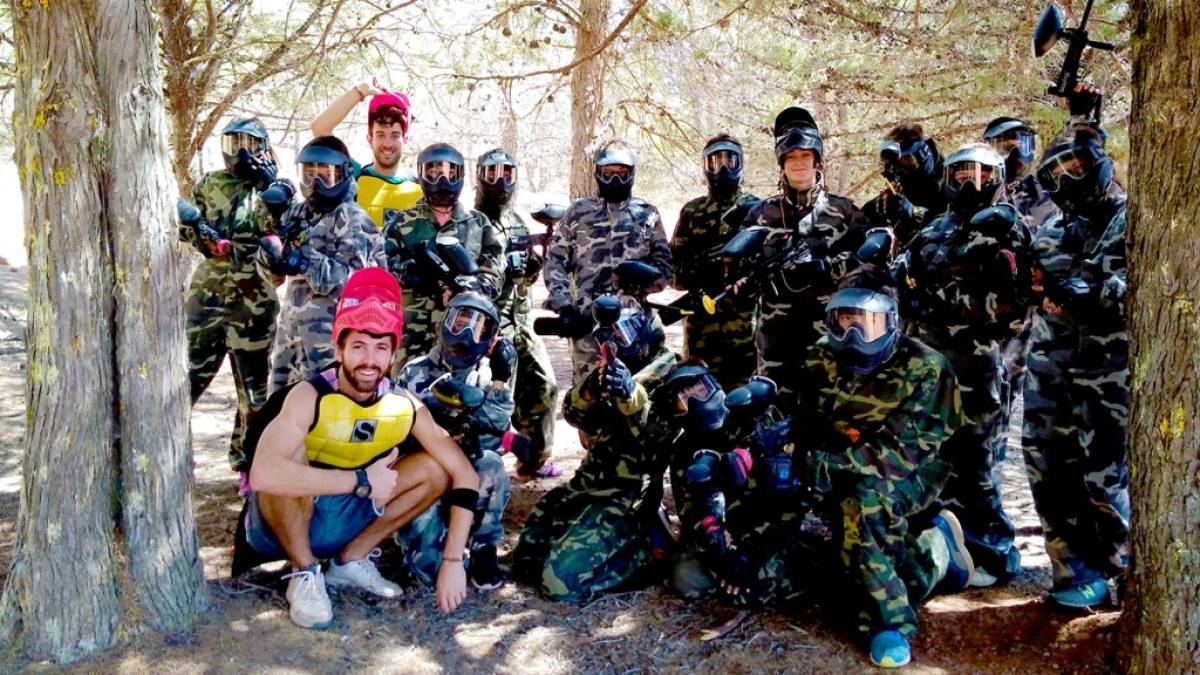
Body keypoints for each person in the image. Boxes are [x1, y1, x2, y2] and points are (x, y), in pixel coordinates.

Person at [244, 268, 480, 628]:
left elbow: (465, 475)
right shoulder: (308, 396)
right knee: (287, 454)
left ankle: (350, 561)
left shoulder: (405, 406)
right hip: (278, 528)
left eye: (381, 348)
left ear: (393, 354)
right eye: (359, 347)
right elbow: (264, 474)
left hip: (342, 520)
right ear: (339, 348)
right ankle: (305, 572)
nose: (370, 360)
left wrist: (452, 562)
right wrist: (360, 481)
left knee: (435, 468)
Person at [794, 267, 970, 668]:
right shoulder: (820, 357)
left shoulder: (927, 367)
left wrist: (822, 468)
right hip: (840, 462)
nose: (854, 336)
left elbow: (897, 456)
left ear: (893, 322)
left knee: (866, 504)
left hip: (913, 470)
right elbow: (806, 421)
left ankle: (889, 623)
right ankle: (932, 550)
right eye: (846, 322)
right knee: (833, 573)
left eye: (868, 323)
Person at [898, 143, 1031, 586]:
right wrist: (904, 293)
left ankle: (992, 552)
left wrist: (937, 302)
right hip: (929, 364)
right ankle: (943, 548)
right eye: (960, 173)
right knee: (932, 455)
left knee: (976, 459)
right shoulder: (936, 227)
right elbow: (906, 273)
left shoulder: (1007, 228)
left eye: (979, 173)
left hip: (979, 363)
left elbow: (1011, 307)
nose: (968, 182)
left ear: (996, 177)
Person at [1023, 119, 1129, 609]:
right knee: (1049, 470)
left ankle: (1126, 572)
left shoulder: (1138, 221)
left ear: (1100, 163)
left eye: (1077, 165)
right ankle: (1076, 572)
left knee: (1107, 481)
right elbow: (1032, 289)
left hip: (1113, 372)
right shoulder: (1049, 233)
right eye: (1057, 171)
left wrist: (1103, 295)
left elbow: (1168, 289)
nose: (1068, 178)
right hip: (1051, 369)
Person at [513, 293, 678, 601]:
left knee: (559, 585)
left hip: (629, 494)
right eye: (610, 334)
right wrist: (589, 390)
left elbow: (657, 435)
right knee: (525, 561)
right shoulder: (615, 366)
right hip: (591, 482)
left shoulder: (672, 374)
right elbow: (573, 415)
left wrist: (630, 394)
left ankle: (646, 552)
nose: (616, 340)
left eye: (624, 333)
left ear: (646, 336)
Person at [738, 107, 867, 412]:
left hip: (829, 337)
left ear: (816, 161)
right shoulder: (759, 214)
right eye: (791, 157)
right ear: (781, 164)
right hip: (774, 339)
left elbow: (868, 264)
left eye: (805, 156)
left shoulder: (844, 211)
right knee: (772, 415)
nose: (798, 163)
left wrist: (828, 268)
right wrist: (751, 277)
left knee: (825, 413)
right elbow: (739, 270)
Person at [179, 117, 284, 472]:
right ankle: (168, 457)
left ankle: (247, 467)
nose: (240, 152)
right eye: (233, 143)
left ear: (264, 148)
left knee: (254, 395)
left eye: (249, 144)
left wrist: (271, 192)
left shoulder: (276, 190)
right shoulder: (210, 184)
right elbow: (184, 228)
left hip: (254, 304)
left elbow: (285, 237)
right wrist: (202, 237)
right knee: (183, 383)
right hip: (206, 299)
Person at [392, 293, 519, 591]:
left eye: (478, 329)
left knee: (491, 463)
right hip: (428, 477)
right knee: (429, 576)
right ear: (443, 324)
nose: (465, 335)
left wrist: (500, 382)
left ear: (491, 340)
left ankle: (483, 547)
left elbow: (496, 435)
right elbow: (395, 434)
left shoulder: (487, 376)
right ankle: (425, 541)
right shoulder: (414, 371)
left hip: (467, 475)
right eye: (460, 323)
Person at [261, 135, 386, 393]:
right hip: (291, 338)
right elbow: (274, 278)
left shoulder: (353, 219)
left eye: (325, 174)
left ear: (343, 174)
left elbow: (353, 286)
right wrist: (271, 257)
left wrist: (304, 261)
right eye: (309, 174)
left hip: (333, 345)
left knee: (328, 409)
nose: (316, 183)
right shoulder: (297, 213)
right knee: (280, 408)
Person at [542, 140, 673, 384]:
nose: (614, 179)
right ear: (597, 173)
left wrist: (642, 280)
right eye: (608, 172)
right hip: (587, 324)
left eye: (621, 173)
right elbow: (555, 261)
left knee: (640, 392)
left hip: (635, 324)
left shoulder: (647, 213)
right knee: (589, 395)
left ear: (631, 174)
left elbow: (665, 269)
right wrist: (565, 306)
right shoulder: (578, 212)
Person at [473, 148, 562, 480]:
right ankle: (485, 471)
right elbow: (470, 280)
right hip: (490, 326)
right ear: (480, 178)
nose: (500, 181)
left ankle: (533, 460)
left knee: (544, 385)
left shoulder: (516, 222)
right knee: (496, 399)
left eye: (507, 173)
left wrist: (531, 270)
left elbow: (523, 279)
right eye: (492, 173)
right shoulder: (472, 223)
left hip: (520, 320)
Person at [382, 143, 505, 367]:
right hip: (413, 333)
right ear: (422, 174)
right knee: (408, 386)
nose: (442, 180)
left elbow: (495, 271)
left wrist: (469, 287)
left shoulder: (478, 224)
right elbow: (381, 264)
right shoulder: (402, 222)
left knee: (462, 387)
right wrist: (410, 273)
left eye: (450, 173)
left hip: (464, 333)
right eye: (434, 172)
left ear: (460, 175)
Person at [669, 134, 762, 390]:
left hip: (746, 328)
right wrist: (700, 272)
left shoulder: (757, 209)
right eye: (715, 162)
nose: (722, 169)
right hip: (701, 331)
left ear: (740, 164)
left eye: (729, 161)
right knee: (699, 396)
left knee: (746, 398)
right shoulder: (692, 212)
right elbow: (672, 272)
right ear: (705, 166)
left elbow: (771, 267)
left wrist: (746, 275)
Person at [311, 80, 422, 227]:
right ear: (370, 139)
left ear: (405, 139)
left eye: (395, 135)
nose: (387, 144)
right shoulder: (354, 176)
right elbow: (319, 128)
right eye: (380, 135)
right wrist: (361, 91)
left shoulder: (422, 187)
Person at [862, 123, 947, 249]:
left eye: (909, 159)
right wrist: (883, 213)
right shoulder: (898, 192)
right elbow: (861, 227)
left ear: (925, 153)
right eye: (898, 163)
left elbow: (953, 220)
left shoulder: (952, 182)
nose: (903, 167)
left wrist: (914, 213)